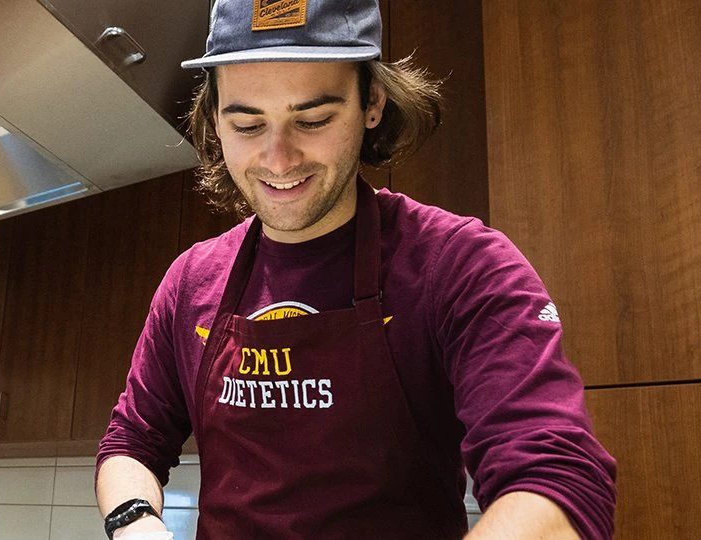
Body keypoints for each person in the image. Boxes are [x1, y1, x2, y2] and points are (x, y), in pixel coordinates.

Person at [93, 1, 617, 538]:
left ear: (372, 102)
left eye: (313, 119)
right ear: (214, 120)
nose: (278, 159)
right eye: (248, 124)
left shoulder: (459, 265)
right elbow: (131, 443)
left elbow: (559, 479)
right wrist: (136, 522)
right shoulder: (190, 282)